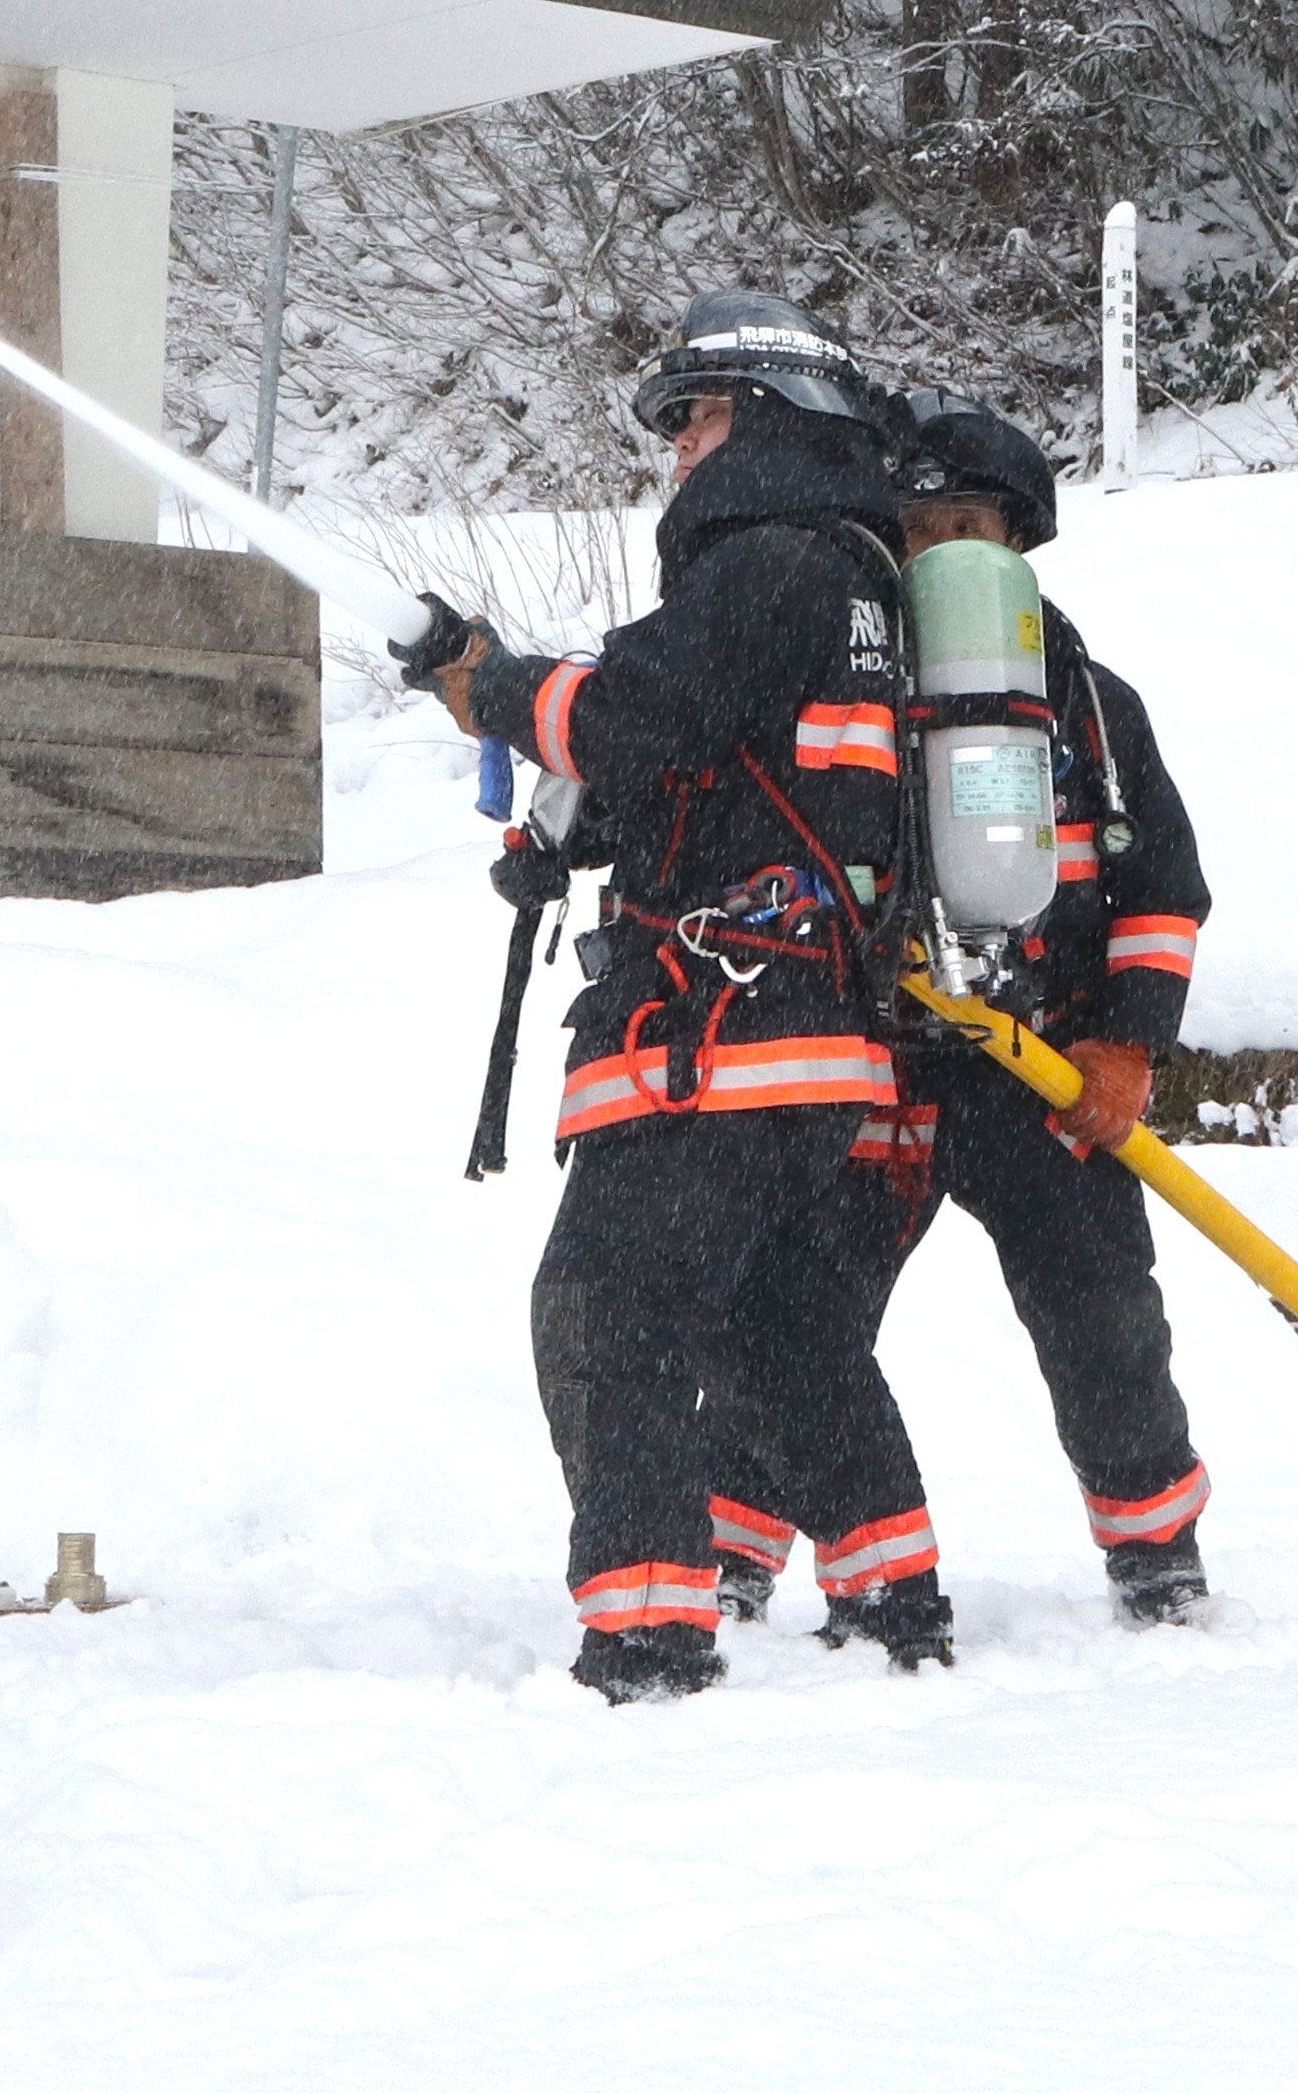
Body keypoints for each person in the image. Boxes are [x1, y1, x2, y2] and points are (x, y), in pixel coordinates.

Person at [398, 293, 938, 1705]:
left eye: (692, 418)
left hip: (717, 1041)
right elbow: (707, 768)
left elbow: (631, 715)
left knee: (606, 1309)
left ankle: (646, 1630)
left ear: (769, 414)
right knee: (781, 1329)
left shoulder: (769, 563)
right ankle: (895, 1594)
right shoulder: (850, 581)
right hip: (804, 1038)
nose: (677, 450)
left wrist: (492, 686)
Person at [706, 395, 1228, 1631]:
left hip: (1037, 1067)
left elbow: (1162, 890)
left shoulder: (1089, 708)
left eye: (966, 525)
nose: (939, 548)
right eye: (916, 526)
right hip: (863, 1062)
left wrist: (1125, 1042)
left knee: (1102, 1312)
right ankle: (730, 1548)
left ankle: (1155, 1547)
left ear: (1015, 539)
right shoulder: (834, 687)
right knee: (790, 1312)